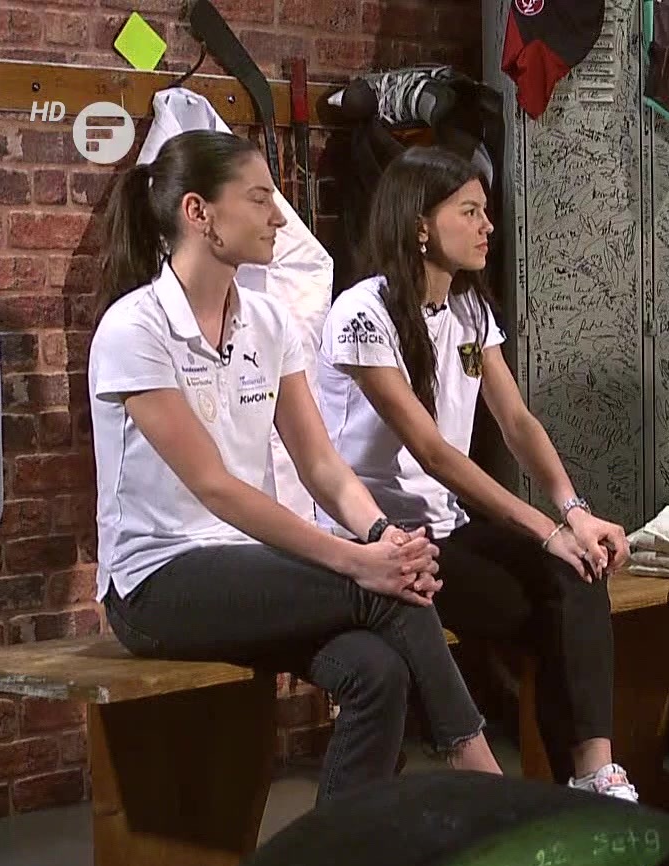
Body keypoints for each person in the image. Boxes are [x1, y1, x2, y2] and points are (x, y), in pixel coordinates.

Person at [90, 130, 506, 805]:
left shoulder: (267, 320)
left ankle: (334, 859)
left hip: (245, 566)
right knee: (382, 591)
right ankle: (487, 785)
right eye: (260, 199)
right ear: (199, 213)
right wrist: (357, 563)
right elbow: (216, 488)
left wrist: (382, 538)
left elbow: (321, 464)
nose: (279, 218)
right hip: (156, 583)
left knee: (378, 671)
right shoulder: (133, 329)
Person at [314, 146, 639, 801]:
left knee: (578, 570)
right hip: (374, 543)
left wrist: (573, 512)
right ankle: (497, 791)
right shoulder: (362, 313)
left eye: (485, 211)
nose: (488, 226)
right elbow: (432, 452)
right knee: (552, 593)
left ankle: (594, 776)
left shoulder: (469, 309)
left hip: (447, 531)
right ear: (420, 225)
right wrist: (545, 530)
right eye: (469, 211)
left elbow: (516, 421)